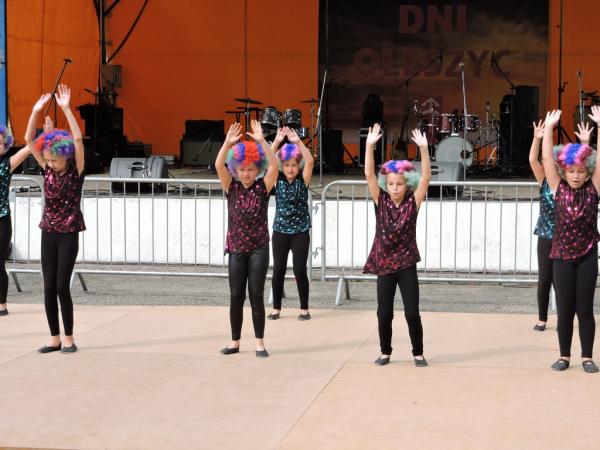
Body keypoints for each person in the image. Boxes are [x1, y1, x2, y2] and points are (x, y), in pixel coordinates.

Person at [363, 124, 431, 367]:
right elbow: (369, 174)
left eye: (399, 184)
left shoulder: (413, 202)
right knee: (384, 313)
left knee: (412, 312)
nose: (394, 188)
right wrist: (369, 146)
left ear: (407, 184)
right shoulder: (380, 200)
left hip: (406, 264)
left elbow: (426, 177)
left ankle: (418, 353)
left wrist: (424, 150)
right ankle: (385, 352)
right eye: (391, 184)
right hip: (384, 265)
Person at [26, 86, 86, 354]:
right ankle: (54, 337)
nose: (50, 164)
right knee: (48, 285)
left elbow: (78, 140)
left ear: (66, 157)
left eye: (54, 161)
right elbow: (29, 140)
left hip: (68, 232)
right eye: (47, 160)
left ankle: (69, 337)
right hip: (48, 231)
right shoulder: (47, 169)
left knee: (62, 285)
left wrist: (66, 109)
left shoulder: (76, 172)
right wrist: (34, 112)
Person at [542, 108, 600, 373]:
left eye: (580, 171)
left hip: (587, 256)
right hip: (562, 257)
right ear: (563, 171)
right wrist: (549, 130)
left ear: (588, 172)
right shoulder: (558, 187)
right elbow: (546, 158)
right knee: (565, 309)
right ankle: (564, 356)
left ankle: (587, 357)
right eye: (571, 171)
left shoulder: (594, 188)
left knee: (584, 309)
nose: (576, 176)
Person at [215, 120, 279, 357]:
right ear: (235, 169)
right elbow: (218, 164)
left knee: (256, 294)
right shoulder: (231, 187)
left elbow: (275, 165)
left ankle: (259, 343)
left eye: (250, 169)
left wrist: (262, 142)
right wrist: (227, 143)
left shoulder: (263, 187)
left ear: (257, 169)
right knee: (235, 296)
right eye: (241, 169)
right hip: (236, 248)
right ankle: (235, 342)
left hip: (258, 248)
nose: (246, 173)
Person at [267, 127, 314, 321]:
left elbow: (310, 161)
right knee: (278, 269)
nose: (290, 169)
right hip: (280, 231)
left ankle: (304, 309)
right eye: (286, 165)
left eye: (294, 165)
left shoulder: (303, 180)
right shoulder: (276, 180)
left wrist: (297, 142)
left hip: (300, 231)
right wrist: (277, 141)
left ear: (298, 165)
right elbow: (268, 161)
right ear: (282, 165)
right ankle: (276, 308)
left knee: (299, 269)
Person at [0, 126, 36, 316]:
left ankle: (2, 305)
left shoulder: (7, 164)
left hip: (2, 220)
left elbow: (29, 147)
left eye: (0, 143)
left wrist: (45, 133)